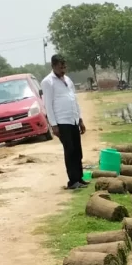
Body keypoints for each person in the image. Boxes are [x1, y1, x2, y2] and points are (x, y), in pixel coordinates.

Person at [41, 55, 86, 190]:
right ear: (53, 66)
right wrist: (53, 125)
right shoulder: (48, 82)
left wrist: (80, 119)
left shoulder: (68, 79)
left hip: (73, 119)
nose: (63, 70)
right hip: (62, 121)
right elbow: (48, 104)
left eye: (64, 67)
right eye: (60, 67)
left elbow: (74, 100)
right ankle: (72, 181)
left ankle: (79, 178)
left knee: (77, 150)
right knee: (70, 150)